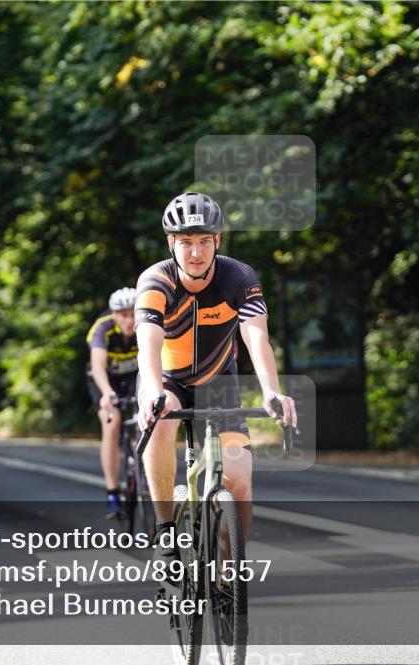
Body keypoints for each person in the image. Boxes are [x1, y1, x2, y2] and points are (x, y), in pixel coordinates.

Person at [135, 191, 297, 564]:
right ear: (171, 243)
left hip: (218, 386)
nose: (196, 253)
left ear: (217, 241)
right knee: (161, 421)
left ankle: (229, 568)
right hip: (168, 381)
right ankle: (165, 532)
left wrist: (273, 391)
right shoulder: (155, 281)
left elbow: (256, 336)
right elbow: (148, 343)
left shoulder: (238, 277)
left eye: (204, 241)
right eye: (186, 242)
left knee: (239, 480)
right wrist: (153, 393)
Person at [86, 287, 139, 519]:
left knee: (149, 417)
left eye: (134, 313)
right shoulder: (103, 328)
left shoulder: (148, 324)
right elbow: (97, 366)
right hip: (105, 380)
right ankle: (112, 493)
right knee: (112, 420)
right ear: (114, 315)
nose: (130, 320)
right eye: (124, 315)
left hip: (134, 377)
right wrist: (107, 393)